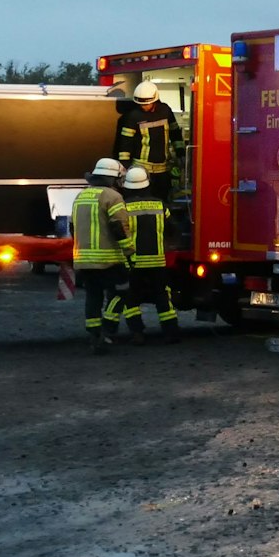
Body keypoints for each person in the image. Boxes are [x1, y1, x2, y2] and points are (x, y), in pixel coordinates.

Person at [106, 166, 181, 345]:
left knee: (131, 299)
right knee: (163, 297)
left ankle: (137, 333)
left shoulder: (124, 207)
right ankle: (171, 333)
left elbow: (118, 232)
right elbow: (173, 229)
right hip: (157, 262)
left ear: (127, 186)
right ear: (148, 184)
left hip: (134, 263)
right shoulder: (161, 205)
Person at [70, 158, 132, 354]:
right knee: (121, 292)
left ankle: (94, 335)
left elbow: (72, 227)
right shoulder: (113, 196)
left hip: (83, 259)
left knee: (93, 296)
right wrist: (129, 252)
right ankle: (108, 329)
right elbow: (118, 227)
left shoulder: (80, 196)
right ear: (112, 178)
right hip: (108, 259)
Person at [114, 80, 182, 204]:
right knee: (142, 201)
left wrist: (181, 153)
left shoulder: (165, 111)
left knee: (162, 201)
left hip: (163, 168)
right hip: (141, 169)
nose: (144, 106)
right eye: (141, 104)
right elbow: (125, 143)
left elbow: (175, 133)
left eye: (147, 103)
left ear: (155, 99)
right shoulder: (132, 116)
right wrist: (125, 166)